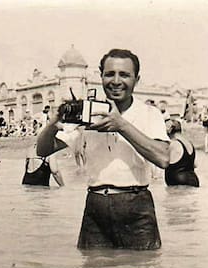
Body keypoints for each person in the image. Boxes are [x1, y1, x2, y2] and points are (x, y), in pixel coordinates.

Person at [37, 48, 170, 250]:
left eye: (124, 75)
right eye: (109, 74)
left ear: (137, 79)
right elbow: (44, 150)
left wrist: (121, 125)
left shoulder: (150, 113)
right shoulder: (88, 112)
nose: (116, 81)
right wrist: (52, 123)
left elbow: (163, 158)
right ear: (101, 77)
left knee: (142, 265)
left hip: (136, 206)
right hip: (95, 205)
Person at [165, 119, 199, 187]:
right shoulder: (189, 143)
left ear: (169, 130)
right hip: (193, 179)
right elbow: (195, 165)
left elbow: (162, 163)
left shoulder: (173, 144)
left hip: (178, 181)